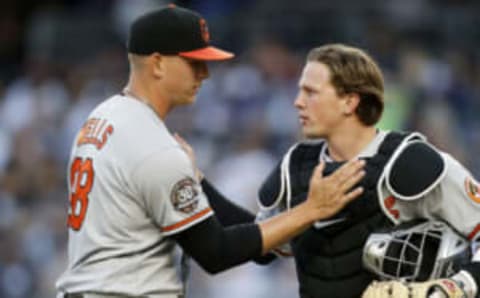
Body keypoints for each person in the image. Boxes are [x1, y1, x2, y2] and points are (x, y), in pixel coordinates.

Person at [55, 7, 367, 298]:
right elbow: (216, 253)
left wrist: (198, 182)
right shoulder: (154, 147)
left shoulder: (101, 117)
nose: (204, 73)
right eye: (194, 62)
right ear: (158, 63)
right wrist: (311, 210)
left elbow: (247, 246)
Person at [179, 44, 480, 298]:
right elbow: (264, 247)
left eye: (311, 92)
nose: (297, 102)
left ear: (349, 100)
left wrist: (453, 287)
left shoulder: (410, 162)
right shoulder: (296, 166)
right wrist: (200, 183)